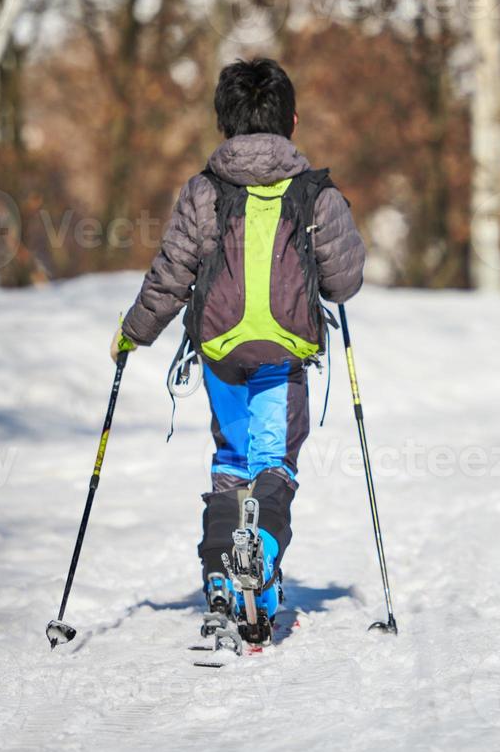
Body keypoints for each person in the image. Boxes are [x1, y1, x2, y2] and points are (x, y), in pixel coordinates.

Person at [111, 57, 366, 630]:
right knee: (273, 462)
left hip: (221, 350)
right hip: (284, 353)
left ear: (224, 122)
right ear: (292, 121)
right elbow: (344, 282)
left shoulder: (204, 191)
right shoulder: (315, 194)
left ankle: (223, 574)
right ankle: (264, 557)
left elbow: (173, 272)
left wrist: (134, 332)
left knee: (231, 461)